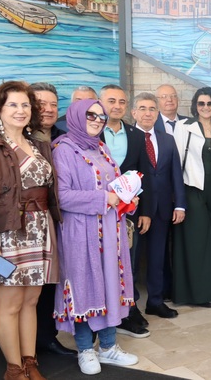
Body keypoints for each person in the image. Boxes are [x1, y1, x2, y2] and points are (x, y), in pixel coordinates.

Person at [0, 81, 60, 380]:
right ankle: (14, 369)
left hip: (39, 232)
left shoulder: (40, 144)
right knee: (10, 304)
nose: (21, 110)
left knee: (31, 301)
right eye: (13, 105)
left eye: (25, 105)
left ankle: (30, 362)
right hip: (7, 236)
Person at [52, 99, 139, 375]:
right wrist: (105, 198)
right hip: (80, 232)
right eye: (91, 115)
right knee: (83, 287)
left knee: (109, 284)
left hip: (110, 230)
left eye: (101, 116)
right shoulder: (63, 150)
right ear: (77, 116)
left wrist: (125, 197)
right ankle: (85, 349)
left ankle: (109, 347)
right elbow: (62, 196)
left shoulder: (100, 147)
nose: (97, 120)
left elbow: (112, 186)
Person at [172, 87, 211, 307]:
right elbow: (176, 161)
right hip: (193, 189)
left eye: (210, 103)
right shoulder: (184, 127)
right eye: (201, 103)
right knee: (198, 241)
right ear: (195, 106)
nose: (206, 107)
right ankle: (201, 293)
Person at [27, 82, 76, 358]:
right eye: (41, 103)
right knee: (27, 288)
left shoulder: (64, 137)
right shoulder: (20, 139)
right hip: (27, 225)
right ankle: (24, 344)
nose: (47, 109)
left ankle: (46, 337)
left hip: (59, 221)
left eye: (53, 104)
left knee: (51, 282)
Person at [98, 84, 152, 338]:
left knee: (128, 261)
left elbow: (145, 174)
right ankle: (103, 312)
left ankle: (129, 310)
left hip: (130, 212)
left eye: (121, 101)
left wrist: (145, 211)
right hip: (98, 210)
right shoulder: (91, 132)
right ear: (100, 103)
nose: (117, 106)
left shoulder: (136, 135)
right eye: (111, 101)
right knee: (102, 263)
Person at [130, 92, 186, 318]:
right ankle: (130, 307)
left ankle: (155, 301)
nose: (148, 113)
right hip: (134, 210)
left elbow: (176, 174)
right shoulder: (127, 137)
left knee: (157, 259)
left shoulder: (167, 139)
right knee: (132, 261)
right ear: (134, 113)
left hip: (162, 209)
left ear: (157, 112)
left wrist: (180, 205)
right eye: (142, 108)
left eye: (152, 109)